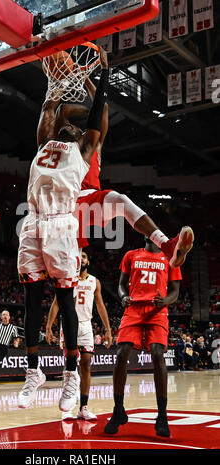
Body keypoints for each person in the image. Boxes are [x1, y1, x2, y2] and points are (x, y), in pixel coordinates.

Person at [17, 48, 110, 413]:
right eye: (66, 123)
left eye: (76, 125)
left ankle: (70, 375)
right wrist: (56, 80)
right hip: (34, 220)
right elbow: (48, 109)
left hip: (60, 223)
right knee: (30, 300)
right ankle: (33, 371)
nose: (70, 125)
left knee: (65, 299)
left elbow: (100, 114)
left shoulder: (85, 149)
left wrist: (101, 75)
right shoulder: (44, 141)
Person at [55, 79, 194, 269]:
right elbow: (60, 113)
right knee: (70, 271)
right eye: (68, 128)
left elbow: (102, 108)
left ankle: (166, 245)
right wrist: (70, 82)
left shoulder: (93, 147)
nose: (70, 128)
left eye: (74, 128)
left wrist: (85, 79)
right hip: (66, 207)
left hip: (92, 200)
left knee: (119, 199)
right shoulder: (57, 151)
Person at [104, 237, 182, 438]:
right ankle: (118, 409)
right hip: (134, 309)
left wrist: (164, 301)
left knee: (157, 353)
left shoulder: (169, 258)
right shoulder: (131, 255)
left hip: (157, 310)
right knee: (121, 353)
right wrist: (122, 297)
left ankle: (162, 416)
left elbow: (175, 291)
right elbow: (121, 284)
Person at [46, 250, 112, 420]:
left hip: (86, 325)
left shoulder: (94, 282)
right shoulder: (67, 279)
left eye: (84, 256)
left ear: (88, 261)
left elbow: (101, 306)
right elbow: (56, 303)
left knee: (86, 364)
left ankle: (83, 407)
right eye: (79, 256)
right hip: (69, 324)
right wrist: (48, 327)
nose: (81, 259)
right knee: (70, 364)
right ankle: (68, 405)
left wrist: (108, 329)